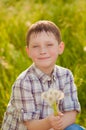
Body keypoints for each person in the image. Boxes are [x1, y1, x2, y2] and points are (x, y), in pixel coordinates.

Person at [1, 20, 85, 130]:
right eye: (35, 46)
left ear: (60, 48)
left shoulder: (66, 75)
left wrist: (58, 125)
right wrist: (49, 122)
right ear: (28, 51)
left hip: (52, 127)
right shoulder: (24, 82)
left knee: (76, 129)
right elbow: (31, 125)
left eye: (49, 45)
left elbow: (71, 112)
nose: (43, 51)